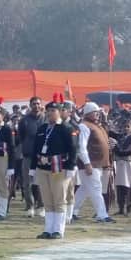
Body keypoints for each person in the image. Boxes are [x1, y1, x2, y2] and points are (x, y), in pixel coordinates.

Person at [32, 99, 75, 240]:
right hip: (43, 167)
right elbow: (36, 149)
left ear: (60, 112)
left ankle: (58, 230)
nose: (50, 113)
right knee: (47, 199)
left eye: (53, 111)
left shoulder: (66, 128)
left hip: (59, 167)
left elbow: (73, 148)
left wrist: (70, 167)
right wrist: (33, 167)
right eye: (48, 111)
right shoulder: (42, 129)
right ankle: (48, 229)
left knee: (59, 199)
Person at [72, 102, 114, 225]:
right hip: (90, 164)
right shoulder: (84, 126)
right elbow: (81, 147)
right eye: (95, 112)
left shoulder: (97, 126)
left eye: (98, 112)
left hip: (97, 164)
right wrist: (87, 163)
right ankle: (102, 215)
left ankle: (72, 211)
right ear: (88, 113)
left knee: (84, 189)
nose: (97, 114)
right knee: (96, 188)